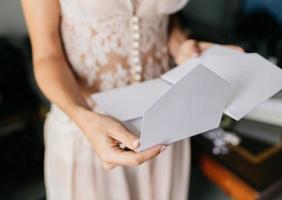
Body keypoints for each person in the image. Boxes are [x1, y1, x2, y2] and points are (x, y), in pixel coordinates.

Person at [21, 0, 242, 199]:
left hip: (164, 124)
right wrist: (83, 115)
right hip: (90, 129)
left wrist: (180, 47)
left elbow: (163, 18)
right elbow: (47, 55)